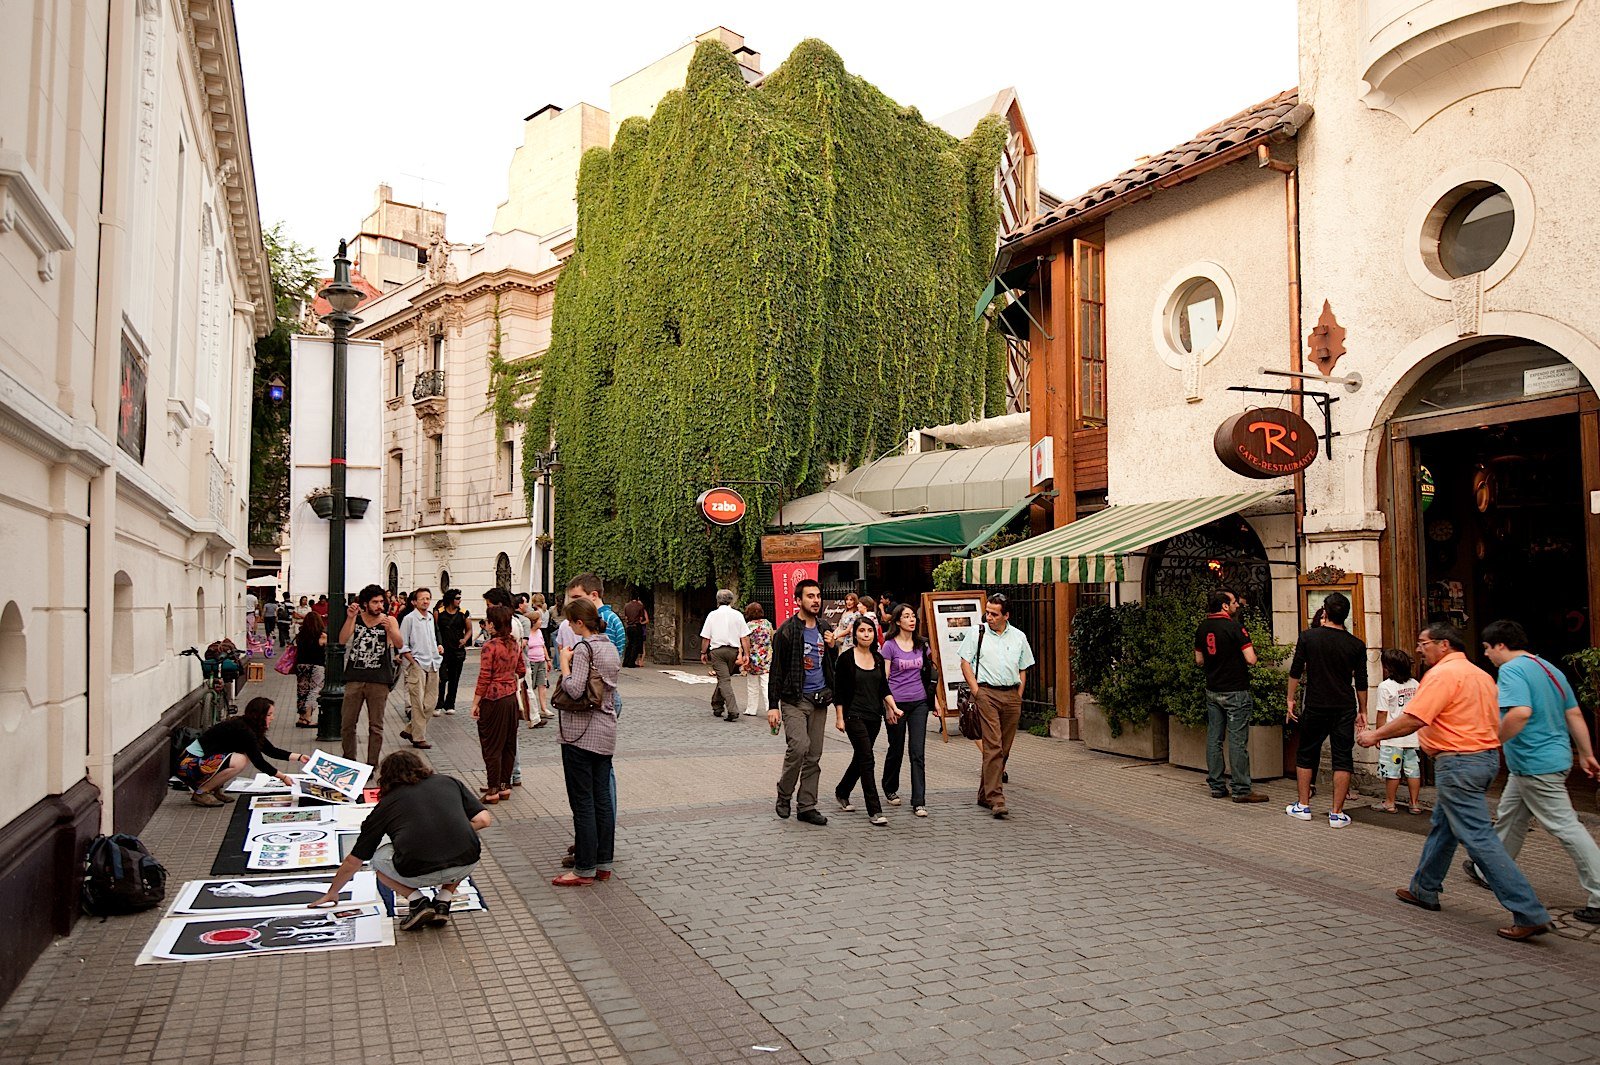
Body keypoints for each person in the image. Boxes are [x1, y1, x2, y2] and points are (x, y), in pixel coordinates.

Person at [1357, 622, 1551, 941]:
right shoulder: (1479, 674)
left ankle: (1529, 911)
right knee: (1444, 826)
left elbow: (1414, 718)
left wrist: (1375, 735)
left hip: (1459, 761)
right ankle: (1424, 888)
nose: (1419, 649)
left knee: (1478, 838)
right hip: (1482, 757)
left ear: (1444, 645)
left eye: (1424, 643)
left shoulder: (1443, 675)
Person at [1464, 620, 1600, 924]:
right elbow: (1574, 713)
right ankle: (1489, 869)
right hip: (1547, 759)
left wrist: (1490, 742)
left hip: (1535, 762)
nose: (1486, 654)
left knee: (1566, 827)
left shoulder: (1512, 671)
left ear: (1500, 645)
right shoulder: (1548, 668)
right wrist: (1587, 753)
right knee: (1511, 816)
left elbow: (1520, 713)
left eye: (1487, 648)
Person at [311, 750, 492, 931]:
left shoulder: (386, 805)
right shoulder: (449, 782)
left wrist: (333, 892)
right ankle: (443, 900)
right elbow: (483, 820)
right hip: (466, 863)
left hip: (417, 870)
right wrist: (450, 830)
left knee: (377, 859)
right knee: (462, 843)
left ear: (386, 777)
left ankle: (417, 901)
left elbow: (356, 859)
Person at [552, 597, 621, 886]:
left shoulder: (584, 649)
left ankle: (584, 868)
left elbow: (576, 689)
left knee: (583, 801)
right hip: (606, 731)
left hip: (581, 734)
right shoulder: (610, 647)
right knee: (602, 799)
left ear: (581, 622)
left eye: (570, 620)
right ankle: (603, 862)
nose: (568, 625)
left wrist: (565, 664)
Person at [1284, 591, 1368, 828]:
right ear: (1346, 616)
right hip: (1344, 705)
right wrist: (1363, 709)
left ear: (1325, 612)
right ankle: (1337, 813)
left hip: (1316, 703)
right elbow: (1361, 680)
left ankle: (1303, 805)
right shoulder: (1356, 645)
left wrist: (1290, 699)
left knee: (1307, 753)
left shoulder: (1309, 637)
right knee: (1343, 757)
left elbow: (1296, 670)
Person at [959, 593, 1034, 819]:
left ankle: (984, 793)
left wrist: (1019, 694)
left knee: (1004, 748)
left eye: (994, 613)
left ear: (1006, 615)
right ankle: (996, 798)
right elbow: (965, 662)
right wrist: (977, 692)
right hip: (987, 693)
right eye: (987, 612)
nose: (988, 617)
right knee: (993, 745)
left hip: (1011, 694)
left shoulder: (1018, 637)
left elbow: (1024, 667)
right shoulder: (977, 632)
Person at [768, 579, 837, 825]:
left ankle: (807, 806)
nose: (816, 600)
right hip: (794, 700)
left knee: (814, 755)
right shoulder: (787, 631)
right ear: (798, 601)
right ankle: (784, 794)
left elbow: (830, 664)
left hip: (819, 700)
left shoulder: (824, 627)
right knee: (798, 747)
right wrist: (772, 706)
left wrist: (832, 647)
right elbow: (776, 670)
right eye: (810, 596)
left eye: (818, 596)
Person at [1193, 588, 1268, 803]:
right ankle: (1241, 789)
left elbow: (1199, 660)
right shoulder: (1236, 628)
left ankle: (1216, 786)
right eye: (1234, 602)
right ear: (1225, 606)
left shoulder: (1202, 627)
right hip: (1235, 690)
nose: (1237, 605)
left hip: (1213, 689)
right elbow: (1251, 659)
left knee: (1214, 738)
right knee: (1237, 741)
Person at [176, 696, 311, 806]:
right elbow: (258, 762)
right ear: (259, 715)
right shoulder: (243, 730)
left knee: (238, 757)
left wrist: (299, 757)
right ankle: (201, 792)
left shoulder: (248, 726)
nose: (272, 718)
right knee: (241, 760)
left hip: (198, 762)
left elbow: (270, 750)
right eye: (269, 714)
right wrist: (283, 777)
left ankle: (214, 789)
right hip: (188, 764)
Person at [833, 618, 903, 826]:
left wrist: (894, 707)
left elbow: (883, 688)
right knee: (868, 759)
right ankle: (875, 810)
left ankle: (842, 790)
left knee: (861, 758)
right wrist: (839, 717)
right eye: (861, 631)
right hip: (853, 715)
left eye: (869, 631)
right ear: (854, 634)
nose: (866, 634)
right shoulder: (845, 659)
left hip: (874, 716)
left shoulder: (878, 658)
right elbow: (839, 691)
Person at [880, 603, 936, 816]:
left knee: (917, 751)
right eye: (907, 616)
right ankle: (890, 787)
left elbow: (932, 673)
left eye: (913, 616)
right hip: (896, 703)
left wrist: (936, 701)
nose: (912, 619)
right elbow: (884, 679)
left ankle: (919, 800)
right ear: (897, 621)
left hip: (919, 703)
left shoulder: (921, 645)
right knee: (896, 748)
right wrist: (888, 707)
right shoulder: (889, 646)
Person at [339, 584, 403, 766]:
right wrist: (350, 618)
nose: (379, 605)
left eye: (381, 602)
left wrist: (390, 630)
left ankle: (371, 764)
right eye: (375, 602)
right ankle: (350, 761)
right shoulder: (357, 619)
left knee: (376, 726)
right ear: (365, 603)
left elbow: (399, 643)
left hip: (379, 679)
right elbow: (343, 640)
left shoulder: (389, 620)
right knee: (348, 723)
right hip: (355, 678)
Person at [472, 605, 523, 804]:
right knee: (509, 744)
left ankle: (492, 789)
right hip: (511, 698)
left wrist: (475, 703)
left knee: (492, 745)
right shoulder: (514, 644)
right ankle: (504, 786)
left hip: (493, 699)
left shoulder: (490, 646)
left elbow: (484, 677)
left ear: (493, 624)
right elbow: (521, 670)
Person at [1374, 649, 1423, 814]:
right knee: (1413, 770)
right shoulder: (1416, 684)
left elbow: (1382, 713)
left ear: (1388, 667)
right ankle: (1414, 803)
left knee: (1392, 771)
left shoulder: (1385, 686)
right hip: (1413, 736)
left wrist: (1378, 735)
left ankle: (1390, 802)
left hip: (1392, 737)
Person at [395, 587, 443, 750]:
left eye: (428, 598)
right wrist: (411, 660)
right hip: (417, 664)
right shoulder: (409, 619)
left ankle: (410, 729)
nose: (426, 601)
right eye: (422, 598)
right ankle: (418, 737)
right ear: (414, 602)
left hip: (433, 662)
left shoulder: (430, 617)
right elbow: (402, 643)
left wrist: (438, 647)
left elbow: (433, 638)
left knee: (431, 702)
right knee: (417, 702)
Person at [701, 589, 751, 721]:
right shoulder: (738, 615)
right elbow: (744, 637)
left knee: (724, 680)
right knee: (724, 679)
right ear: (731, 600)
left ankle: (733, 710)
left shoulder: (712, 615)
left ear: (718, 600)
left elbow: (706, 637)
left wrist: (703, 652)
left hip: (717, 652)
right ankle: (717, 705)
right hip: (733, 652)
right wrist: (746, 654)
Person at [434, 588, 472, 714]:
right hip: (443, 650)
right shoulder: (438, 612)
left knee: (454, 678)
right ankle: (438, 704)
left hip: (457, 651)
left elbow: (469, 629)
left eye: (460, 598)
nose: (459, 600)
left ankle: (450, 704)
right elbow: (435, 629)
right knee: (442, 678)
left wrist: (465, 639)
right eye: (457, 598)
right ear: (450, 599)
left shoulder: (464, 613)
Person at [293, 609, 327, 728]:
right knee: (313, 691)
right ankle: (308, 717)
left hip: (301, 666)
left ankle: (301, 718)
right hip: (316, 666)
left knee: (302, 692)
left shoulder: (300, 635)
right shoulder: (321, 636)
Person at [743, 602, 774, 718]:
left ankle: (751, 709)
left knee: (752, 686)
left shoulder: (748, 626)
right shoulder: (767, 624)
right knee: (766, 685)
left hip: (753, 658)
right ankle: (770, 707)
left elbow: (745, 641)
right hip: (766, 658)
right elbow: (772, 638)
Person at [526, 593, 554, 724]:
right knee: (530, 687)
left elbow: (543, 645)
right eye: (539, 621)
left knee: (542, 685)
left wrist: (548, 660)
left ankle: (544, 708)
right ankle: (531, 709)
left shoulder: (539, 632)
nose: (541, 622)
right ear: (533, 622)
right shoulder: (528, 634)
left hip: (541, 660)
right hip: (531, 661)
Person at [622, 594, 649, 668]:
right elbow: (640, 618)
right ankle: (631, 662)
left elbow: (626, 617)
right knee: (635, 645)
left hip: (629, 627)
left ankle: (625, 662)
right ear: (637, 598)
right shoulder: (640, 606)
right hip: (636, 626)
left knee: (629, 644)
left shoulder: (626, 606)